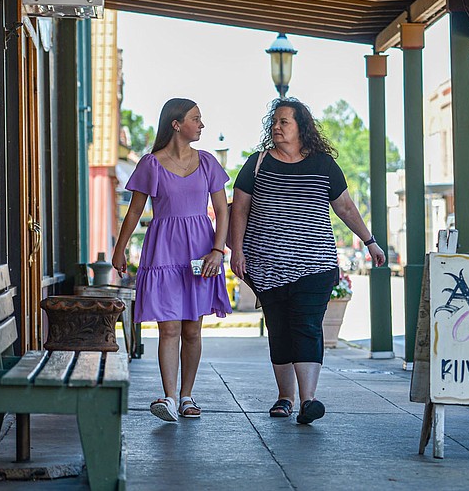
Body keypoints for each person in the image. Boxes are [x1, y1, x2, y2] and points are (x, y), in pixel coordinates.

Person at [229, 97, 385, 424]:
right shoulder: (257, 164)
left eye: (284, 121)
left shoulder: (324, 165)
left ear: (302, 126)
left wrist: (369, 241)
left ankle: (307, 400)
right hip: (266, 265)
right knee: (280, 330)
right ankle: (285, 397)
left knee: (308, 326)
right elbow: (239, 210)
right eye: (274, 122)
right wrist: (237, 251)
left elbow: (344, 208)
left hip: (314, 265)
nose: (277, 127)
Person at [112, 98, 231, 422]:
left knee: (193, 329)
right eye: (196, 118)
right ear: (176, 124)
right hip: (164, 252)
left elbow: (222, 211)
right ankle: (167, 397)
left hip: (200, 252)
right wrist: (120, 249)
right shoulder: (150, 164)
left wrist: (218, 251)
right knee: (169, 328)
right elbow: (135, 211)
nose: (202, 125)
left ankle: (187, 396)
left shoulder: (207, 163)